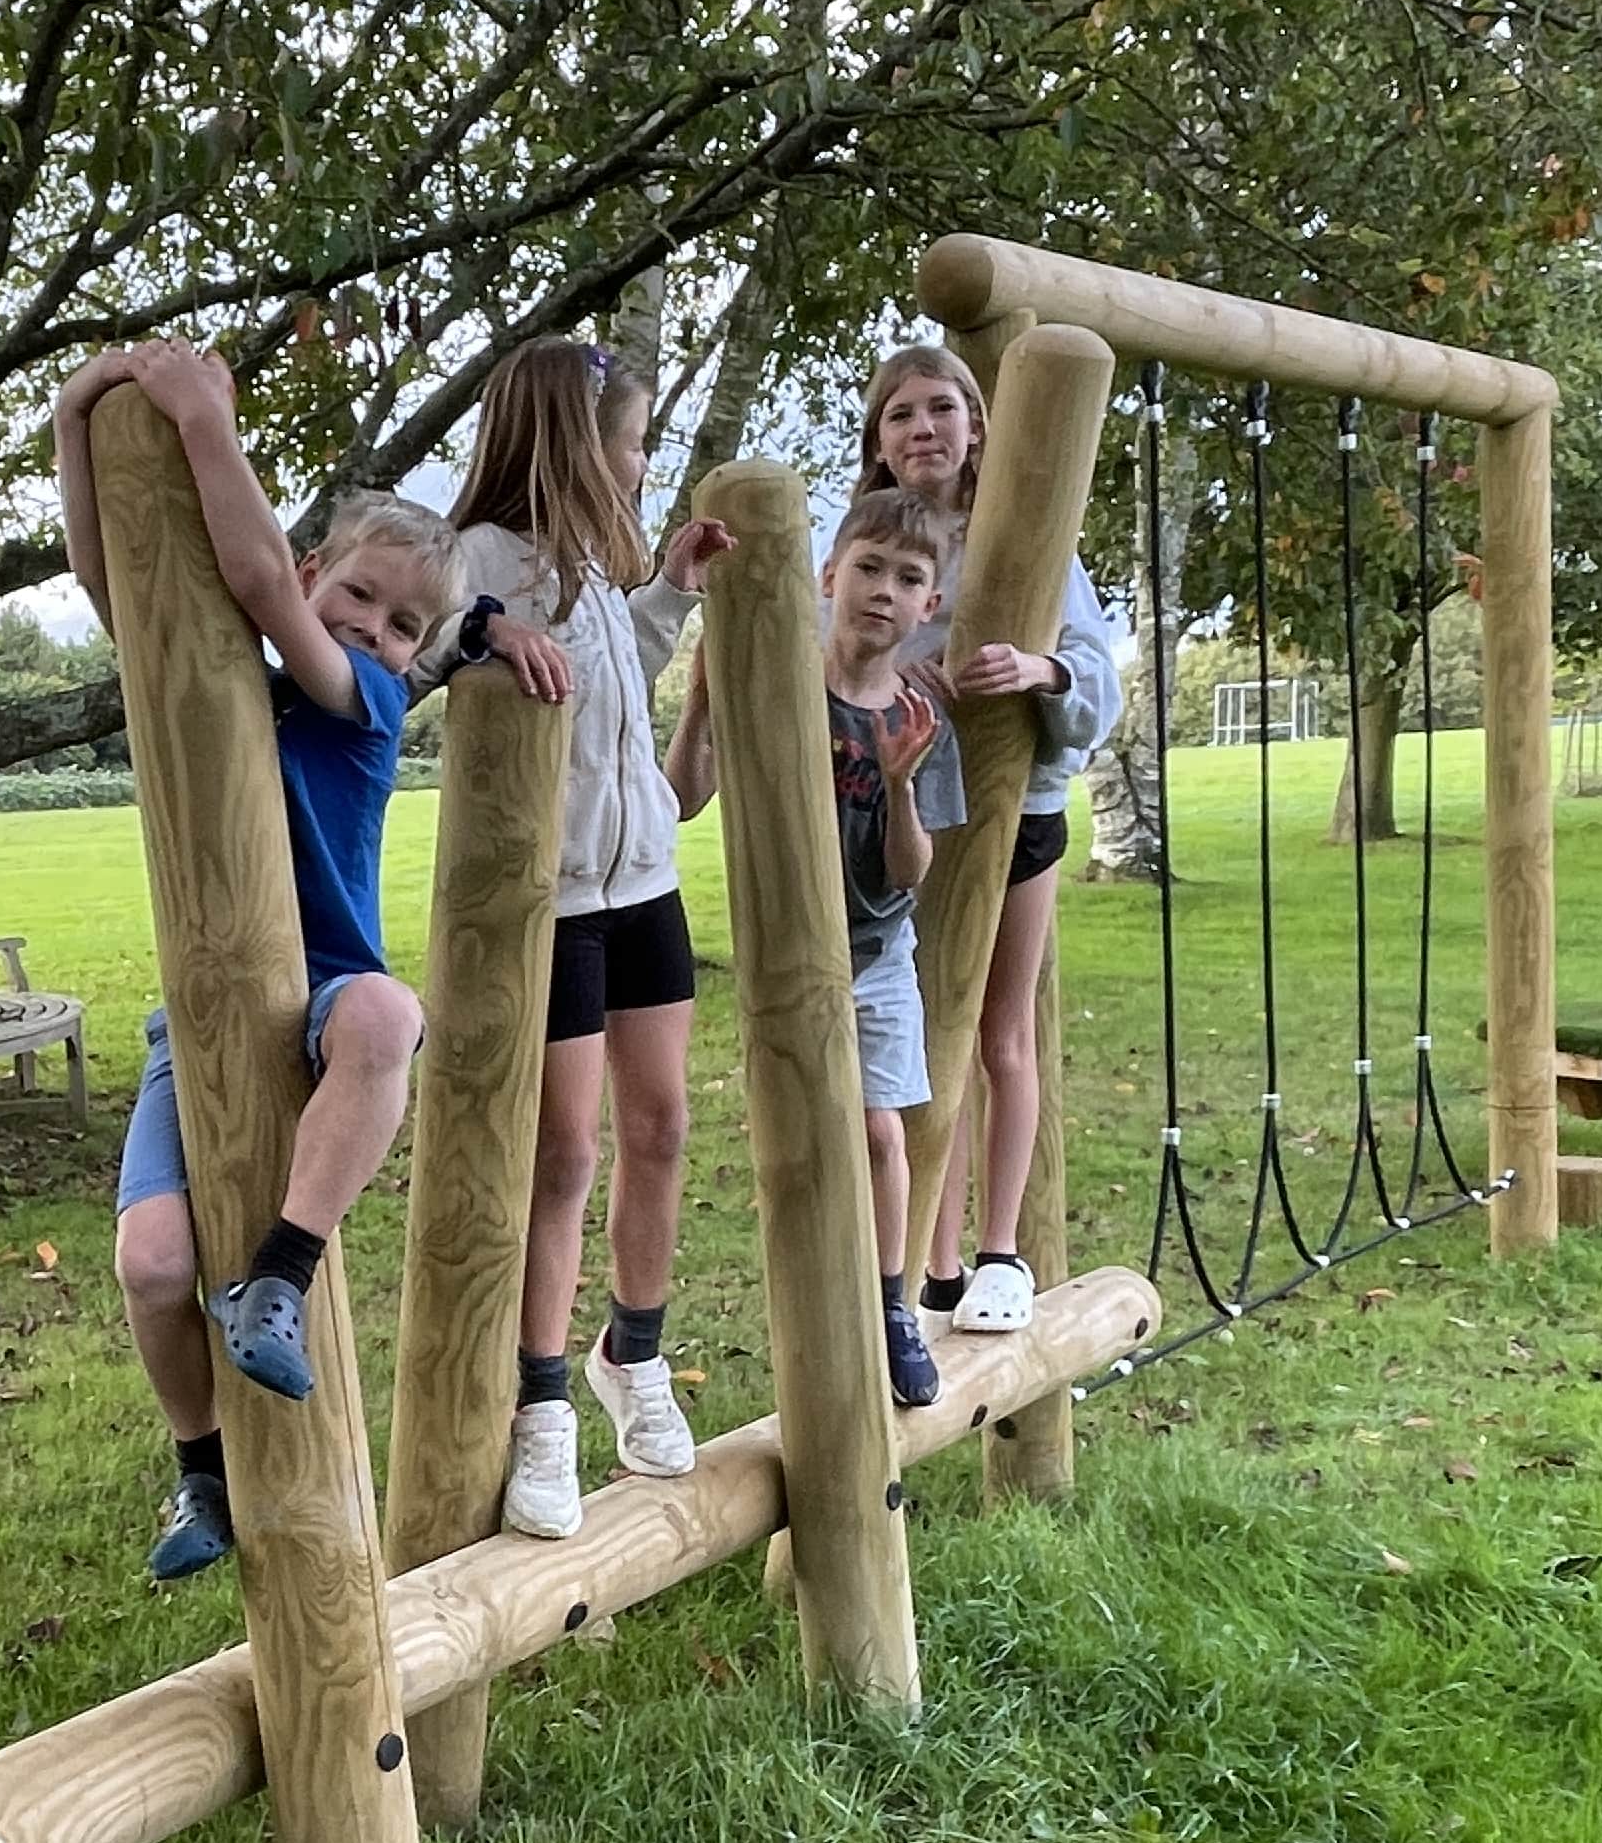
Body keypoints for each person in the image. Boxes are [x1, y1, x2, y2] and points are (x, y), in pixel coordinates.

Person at [54, 338, 571, 1580]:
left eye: (405, 627)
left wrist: (198, 414)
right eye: (357, 601)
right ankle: (200, 1474)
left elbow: (252, 574)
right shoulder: (211, 676)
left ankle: (281, 1275)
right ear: (314, 570)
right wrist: (80, 412)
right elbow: (110, 568)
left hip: (320, 990)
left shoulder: (365, 705)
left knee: (389, 1018)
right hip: (200, 1014)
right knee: (151, 1261)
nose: (377, 632)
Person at [448, 338, 726, 1539]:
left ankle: (636, 1354)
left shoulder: (600, 573)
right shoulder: (479, 563)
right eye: (635, 440)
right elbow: (411, 646)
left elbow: (626, 682)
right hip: (552, 905)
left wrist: (664, 586)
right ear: (576, 441)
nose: (645, 459)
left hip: (643, 884)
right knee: (565, 1155)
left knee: (658, 1127)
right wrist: (483, 634)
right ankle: (542, 1404)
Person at [664, 483, 965, 1407]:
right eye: (868, 567)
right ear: (829, 575)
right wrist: (705, 704)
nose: (883, 589)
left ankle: (890, 1308)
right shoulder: (784, 686)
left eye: (907, 577)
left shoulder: (922, 715)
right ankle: (812, 1319)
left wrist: (901, 782)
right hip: (788, 957)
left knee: (881, 1132)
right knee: (796, 1145)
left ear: (930, 605)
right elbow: (682, 799)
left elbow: (911, 873)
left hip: (876, 957)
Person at [859, 344, 1124, 1335]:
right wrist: (895, 684)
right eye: (900, 416)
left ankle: (1000, 1251)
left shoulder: (1028, 542)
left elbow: (1095, 679)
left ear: (977, 426)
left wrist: (1040, 671)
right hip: (911, 820)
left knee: (998, 1031)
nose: (922, 429)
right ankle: (929, 1263)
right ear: (879, 444)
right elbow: (837, 661)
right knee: (926, 1038)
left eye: (941, 409)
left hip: (1017, 812)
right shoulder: (866, 546)